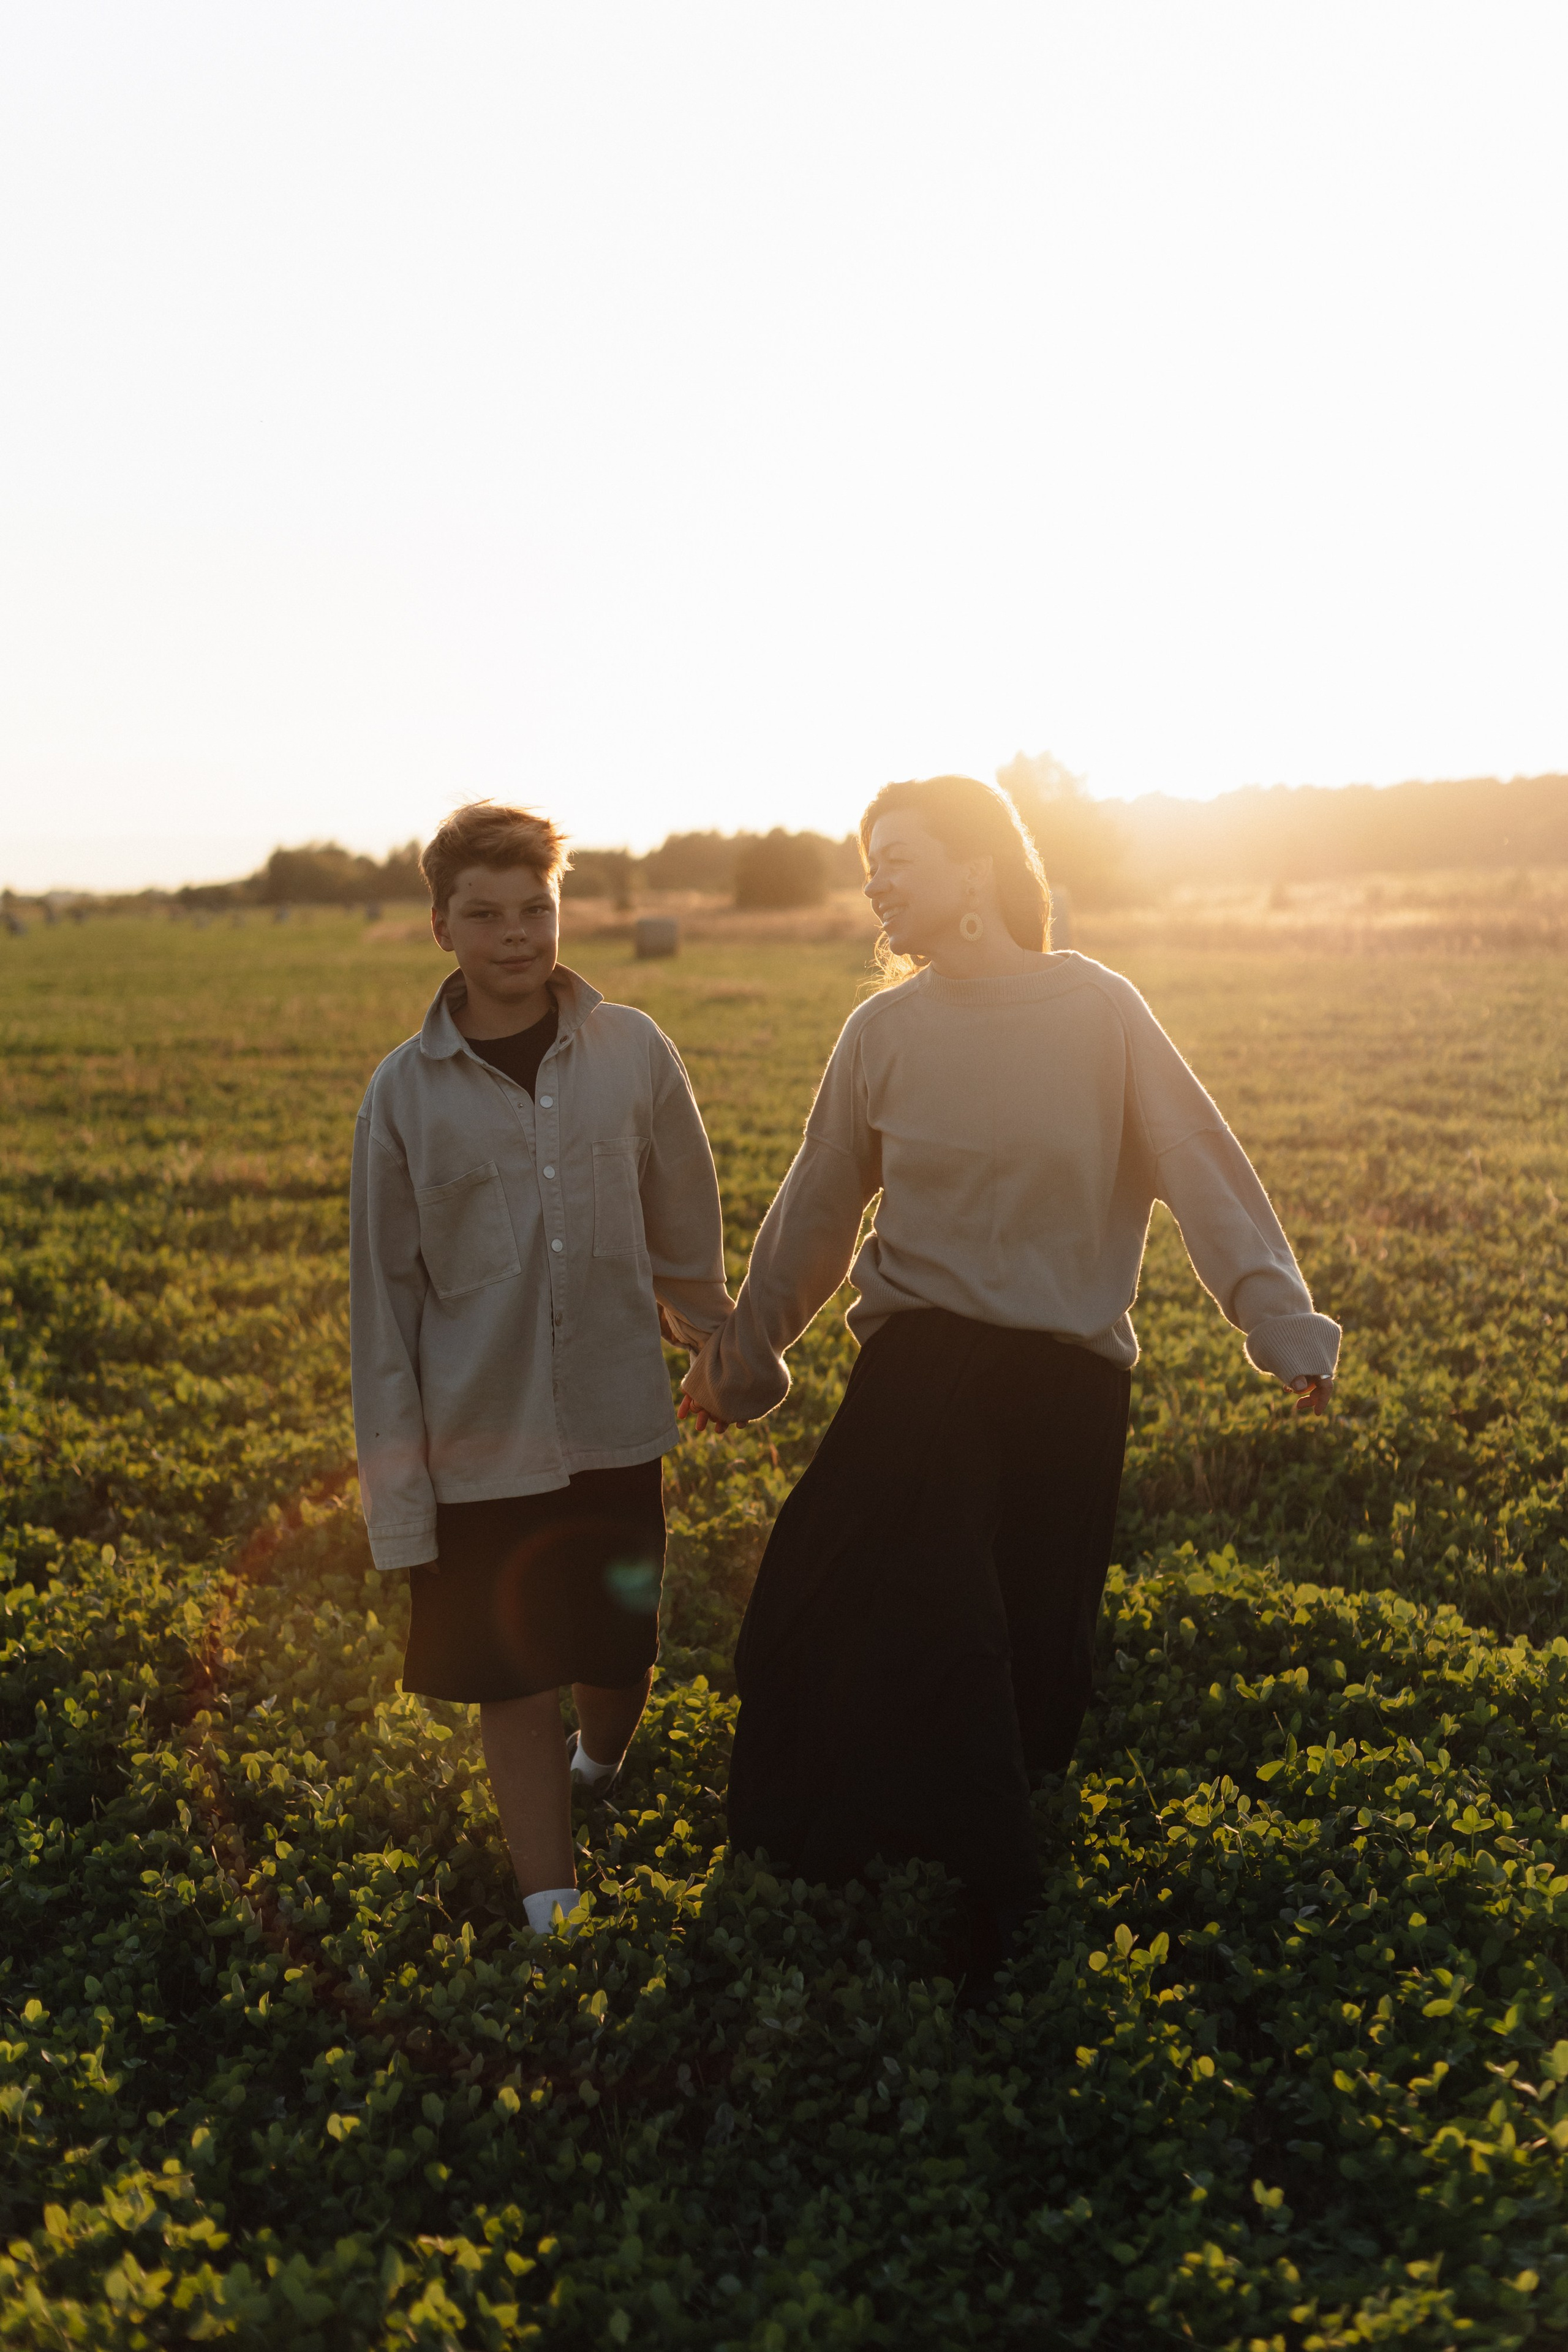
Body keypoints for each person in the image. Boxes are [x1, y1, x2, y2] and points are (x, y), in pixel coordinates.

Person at [679, 774, 1338, 1972]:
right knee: (851, 1606)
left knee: (1024, 1648)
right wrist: (739, 1360)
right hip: (923, 1372)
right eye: (868, 860)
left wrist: (1278, 1320)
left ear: (978, 870)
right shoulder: (879, 1033)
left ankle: (969, 1874)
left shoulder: (1098, 1011)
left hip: (1064, 1390)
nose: (876, 880)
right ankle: (972, 1890)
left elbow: (1197, 1165)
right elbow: (815, 1210)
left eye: (901, 857)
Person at [350, 800, 731, 1937]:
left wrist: (720, 1340)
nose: (516, 934)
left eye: (536, 909)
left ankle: (600, 1763)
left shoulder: (634, 1051)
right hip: (481, 1437)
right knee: (512, 1675)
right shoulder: (402, 1094)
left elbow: (688, 1231)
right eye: (486, 914)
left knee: (621, 1648)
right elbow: (385, 1305)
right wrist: (400, 1501)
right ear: (441, 926)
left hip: (618, 1417)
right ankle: (550, 1904)